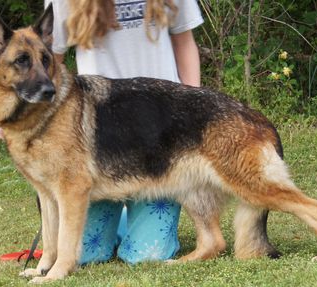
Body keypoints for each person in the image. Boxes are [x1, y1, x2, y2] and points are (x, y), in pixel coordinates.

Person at [44, 0, 203, 265]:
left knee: (146, 256)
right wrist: (31, 115)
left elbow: (184, 43)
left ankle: (135, 218)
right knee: (85, 256)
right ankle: (123, 217)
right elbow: (50, 61)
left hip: (161, 132)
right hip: (98, 139)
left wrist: (195, 108)